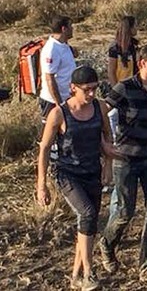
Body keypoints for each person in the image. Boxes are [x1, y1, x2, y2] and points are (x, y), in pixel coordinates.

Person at [36, 65, 118, 291]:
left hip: (93, 171)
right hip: (67, 173)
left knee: (88, 225)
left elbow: (107, 136)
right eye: (87, 90)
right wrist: (41, 185)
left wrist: (108, 165)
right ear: (73, 88)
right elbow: (44, 149)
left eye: (95, 88)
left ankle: (75, 276)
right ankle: (90, 272)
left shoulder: (99, 107)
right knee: (87, 214)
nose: (91, 94)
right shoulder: (59, 113)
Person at [100, 44, 147, 279]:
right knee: (124, 211)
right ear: (143, 63)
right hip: (126, 159)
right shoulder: (125, 88)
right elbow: (102, 111)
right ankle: (107, 244)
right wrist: (105, 145)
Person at [39, 16, 77, 123]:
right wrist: (59, 104)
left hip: (67, 98)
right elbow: (49, 78)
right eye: (71, 26)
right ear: (64, 29)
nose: (73, 29)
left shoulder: (63, 44)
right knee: (49, 132)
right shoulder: (51, 49)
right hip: (52, 101)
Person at [107, 16, 139, 85]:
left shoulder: (134, 45)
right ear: (130, 28)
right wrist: (116, 90)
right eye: (135, 25)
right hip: (121, 86)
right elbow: (111, 72)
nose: (137, 28)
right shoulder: (115, 48)